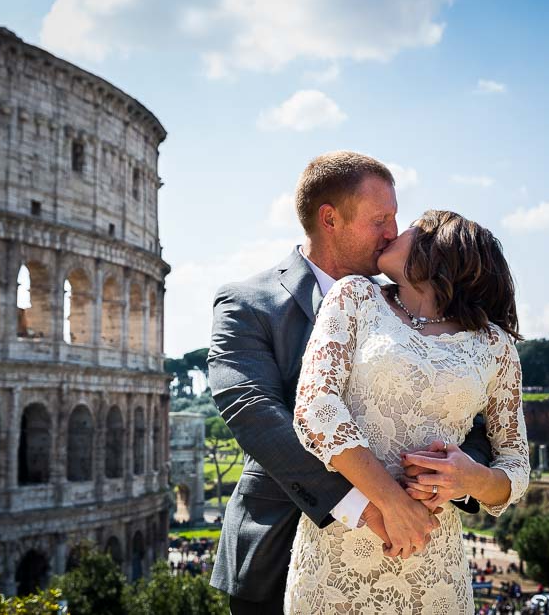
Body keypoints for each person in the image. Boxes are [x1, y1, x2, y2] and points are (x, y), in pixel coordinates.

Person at [207, 152, 495, 613]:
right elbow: (254, 411)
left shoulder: (418, 304)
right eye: (381, 219)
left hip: (411, 550)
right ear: (330, 219)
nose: (393, 233)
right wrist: (370, 505)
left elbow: (475, 423)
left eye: (396, 218)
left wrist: (445, 481)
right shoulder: (247, 302)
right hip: (277, 551)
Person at [286, 209, 530, 613]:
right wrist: (392, 505)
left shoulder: (496, 347)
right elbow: (315, 407)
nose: (393, 233)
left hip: (433, 563)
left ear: (438, 249)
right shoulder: (354, 296)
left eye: (411, 226)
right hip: (336, 557)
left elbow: (516, 464)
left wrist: (471, 477)